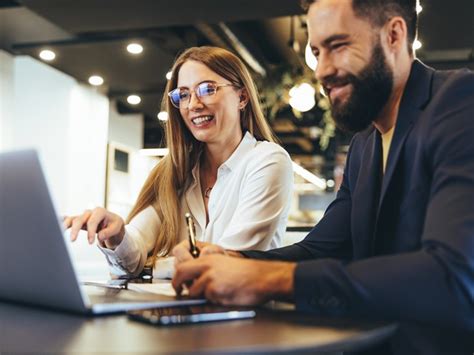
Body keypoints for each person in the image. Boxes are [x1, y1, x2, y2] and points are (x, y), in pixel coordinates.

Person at [171, 1, 474, 353]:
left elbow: (454, 276)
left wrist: (272, 279)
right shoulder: (364, 144)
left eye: (338, 46)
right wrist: (232, 260)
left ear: (394, 34)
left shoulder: (459, 104)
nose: (322, 70)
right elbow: (320, 250)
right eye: (316, 52)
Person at [64, 46, 293, 279]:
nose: (193, 104)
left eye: (207, 89)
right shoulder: (176, 172)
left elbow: (227, 263)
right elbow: (134, 248)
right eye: (183, 94)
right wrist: (117, 235)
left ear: (242, 97)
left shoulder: (268, 160)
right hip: (181, 311)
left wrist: (150, 268)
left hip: (248, 313)